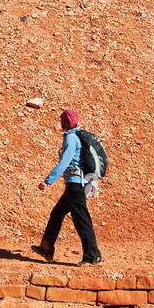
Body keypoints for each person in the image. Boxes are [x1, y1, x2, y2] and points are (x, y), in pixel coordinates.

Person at [33, 108, 102, 265]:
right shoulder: (77, 136)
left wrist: (47, 181)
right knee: (57, 214)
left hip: (75, 186)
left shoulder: (70, 138)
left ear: (62, 123)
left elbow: (64, 162)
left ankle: (93, 255)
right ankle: (46, 248)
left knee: (82, 221)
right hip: (76, 185)